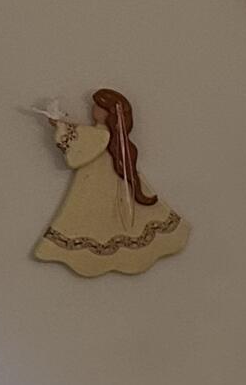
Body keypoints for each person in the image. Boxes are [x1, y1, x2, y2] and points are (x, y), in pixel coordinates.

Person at [36, 89, 189, 275]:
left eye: (98, 107)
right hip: (97, 178)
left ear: (108, 113)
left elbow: (79, 151)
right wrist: (61, 124)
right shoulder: (102, 135)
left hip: (97, 180)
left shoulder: (102, 136)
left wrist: (60, 126)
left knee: (96, 210)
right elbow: (84, 136)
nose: (94, 109)